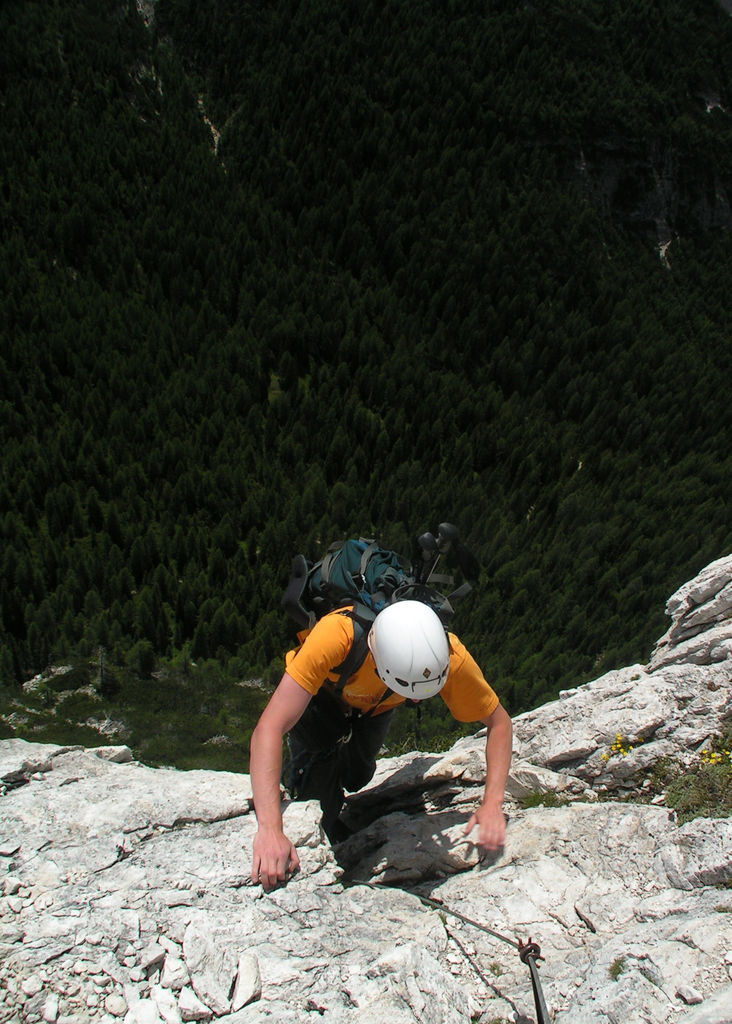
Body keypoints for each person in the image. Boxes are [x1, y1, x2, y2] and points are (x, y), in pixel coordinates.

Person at [249, 600, 513, 891]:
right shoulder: (336, 636)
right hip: (322, 696)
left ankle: (340, 800)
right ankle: (324, 806)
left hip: (377, 705)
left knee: (358, 776)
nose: (415, 701)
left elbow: (499, 723)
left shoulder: (447, 656)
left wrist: (493, 803)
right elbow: (268, 728)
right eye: (409, 692)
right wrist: (270, 829)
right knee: (315, 782)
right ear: (379, 661)